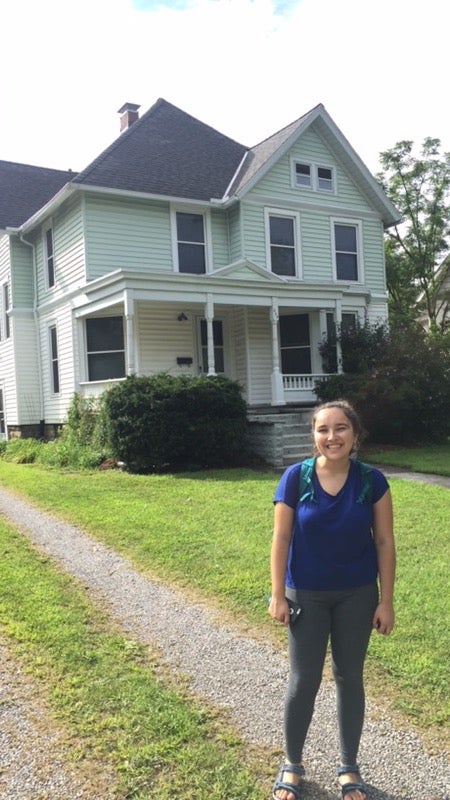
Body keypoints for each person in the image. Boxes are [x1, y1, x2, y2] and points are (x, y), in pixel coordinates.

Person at [269, 399, 395, 800]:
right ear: (314, 436)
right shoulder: (294, 478)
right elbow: (281, 538)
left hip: (357, 594)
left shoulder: (372, 480)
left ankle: (348, 765)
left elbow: (384, 541)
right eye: (323, 429)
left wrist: (386, 600)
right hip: (305, 593)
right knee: (303, 680)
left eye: (341, 428)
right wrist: (277, 594)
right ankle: (292, 763)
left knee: (349, 677)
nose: (332, 437)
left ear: (355, 434)